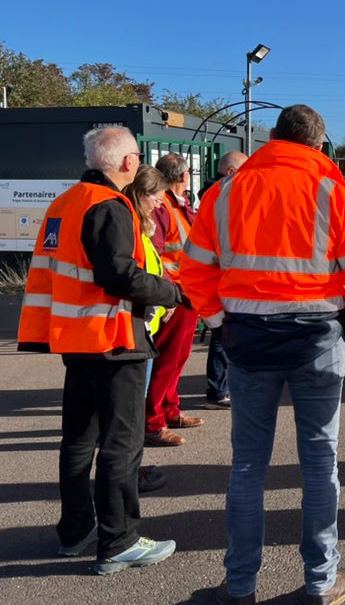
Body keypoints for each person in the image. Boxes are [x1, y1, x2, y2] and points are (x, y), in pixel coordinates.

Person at [179, 104, 345, 605]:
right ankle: (321, 580)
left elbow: (195, 270)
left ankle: (240, 585)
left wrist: (218, 323)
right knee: (319, 462)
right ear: (318, 145)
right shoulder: (333, 194)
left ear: (273, 136)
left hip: (248, 343)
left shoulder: (224, 193)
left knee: (248, 466)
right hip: (317, 342)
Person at [18, 126, 182, 575]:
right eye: (137, 156)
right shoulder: (110, 205)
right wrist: (171, 292)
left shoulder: (65, 202)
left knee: (78, 441)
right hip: (113, 338)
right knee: (121, 445)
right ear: (128, 162)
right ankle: (119, 540)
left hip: (75, 337)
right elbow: (119, 276)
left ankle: (75, 531)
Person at [123, 164, 177, 494]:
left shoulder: (140, 226)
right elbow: (136, 277)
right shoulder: (131, 228)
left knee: (132, 406)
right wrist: (168, 295)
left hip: (143, 328)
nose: (159, 205)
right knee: (131, 409)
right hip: (134, 330)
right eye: (156, 199)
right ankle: (130, 474)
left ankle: (130, 469)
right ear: (142, 194)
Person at [145, 152, 204, 445]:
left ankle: (170, 410)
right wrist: (167, 297)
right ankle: (153, 422)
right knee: (167, 360)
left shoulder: (178, 205)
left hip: (186, 294)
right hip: (175, 296)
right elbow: (154, 256)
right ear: (184, 176)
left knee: (178, 358)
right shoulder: (163, 206)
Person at [198, 150, 248, 409]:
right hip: (222, 279)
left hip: (222, 277)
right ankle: (217, 391)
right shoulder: (220, 197)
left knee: (224, 337)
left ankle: (220, 388)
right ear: (230, 173)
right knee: (221, 338)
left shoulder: (214, 196)